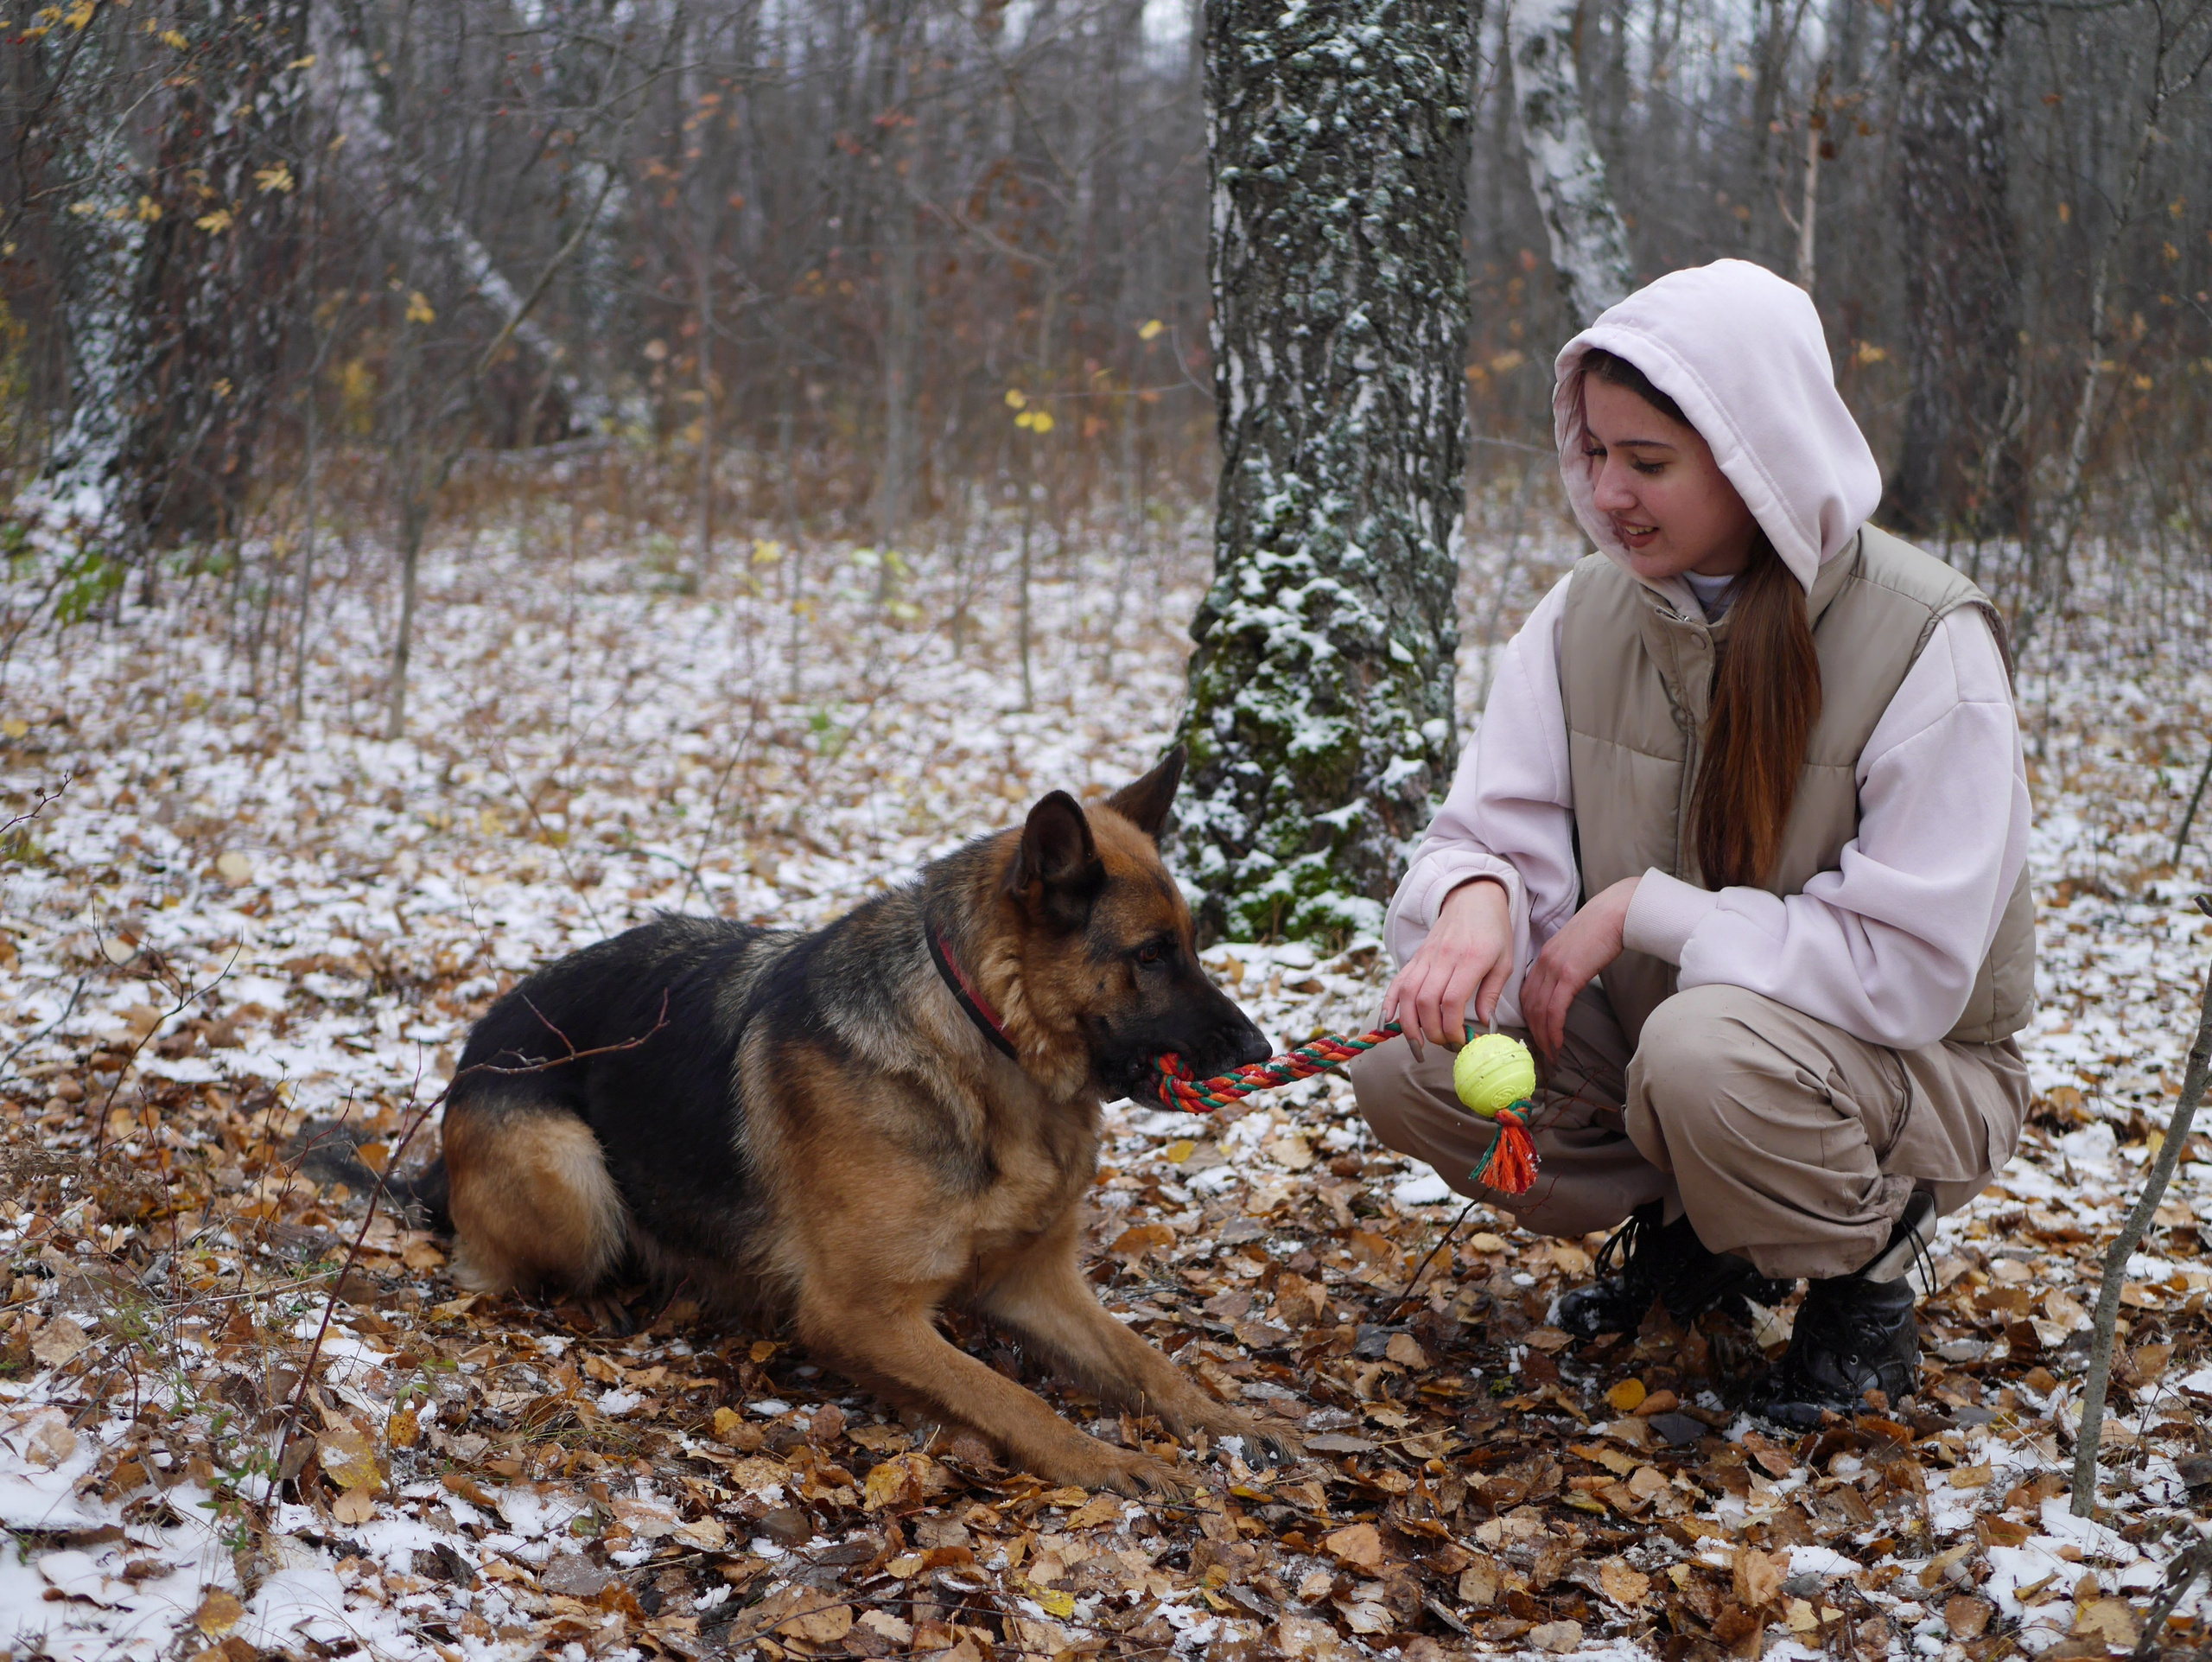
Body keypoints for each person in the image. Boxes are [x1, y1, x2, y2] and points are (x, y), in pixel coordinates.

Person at [1347, 259, 2033, 1424]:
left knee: (1705, 1054)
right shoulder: (1582, 615)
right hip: (1672, 1045)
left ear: (1755, 454)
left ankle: (1861, 1285)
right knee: (1404, 1062)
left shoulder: (1924, 639)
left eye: (1648, 462)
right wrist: (1474, 896)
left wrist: (1642, 912)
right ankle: (1693, 1241)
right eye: (1598, 454)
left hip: (1907, 1077)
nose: (1607, 492)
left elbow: (1910, 974)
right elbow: (1490, 830)